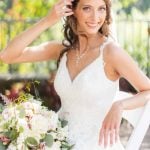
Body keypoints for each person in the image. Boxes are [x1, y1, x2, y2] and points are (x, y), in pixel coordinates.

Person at [0, 0, 150, 149]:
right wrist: (47, 20)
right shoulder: (63, 49)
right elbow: (8, 55)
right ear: (73, 11)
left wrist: (120, 105)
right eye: (87, 8)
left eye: (101, 9)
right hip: (58, 142)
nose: (95, 17)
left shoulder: (112, 52)